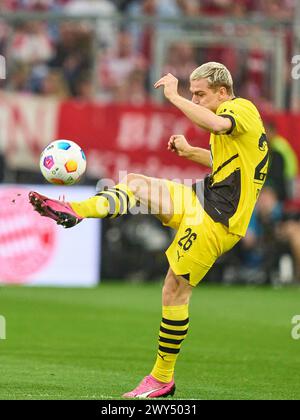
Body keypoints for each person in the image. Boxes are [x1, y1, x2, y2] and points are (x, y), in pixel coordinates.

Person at [29, 62, 269, 398]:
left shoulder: (239, 108)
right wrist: (190, 152)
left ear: (223, 92)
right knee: (137, 184)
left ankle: (161, 378)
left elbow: (215, 121)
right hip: (203, 198)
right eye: (192, 94)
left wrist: (174, 96)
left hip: (218, 220)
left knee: (174, 289)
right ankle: (74, 211)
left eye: (200, 94)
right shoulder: (238, 130)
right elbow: (228, 163)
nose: (196, 100)